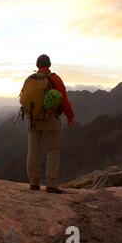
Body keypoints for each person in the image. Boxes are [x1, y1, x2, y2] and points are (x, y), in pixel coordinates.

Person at [27, 54, 75, 193]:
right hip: (50, 119)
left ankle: (34, 183)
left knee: (33, 150)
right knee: (53, 149)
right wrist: (70, 117)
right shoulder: (55, 79)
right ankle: (51, 184)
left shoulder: (30, 80)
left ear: (37, 65)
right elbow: (64, 101)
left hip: (33, 119)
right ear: (49, 64)